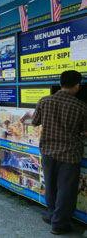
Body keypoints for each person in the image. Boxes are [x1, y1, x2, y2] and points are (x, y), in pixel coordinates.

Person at [32, 70, 87, 235]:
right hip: (69, 154)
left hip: (48, 152)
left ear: (60, 83)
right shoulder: (81, 106)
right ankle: (59, 225)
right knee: (66, 190)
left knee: (51, 186)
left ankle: (51, 215)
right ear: (77, 85)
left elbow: (35, 122)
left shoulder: (45, 101)